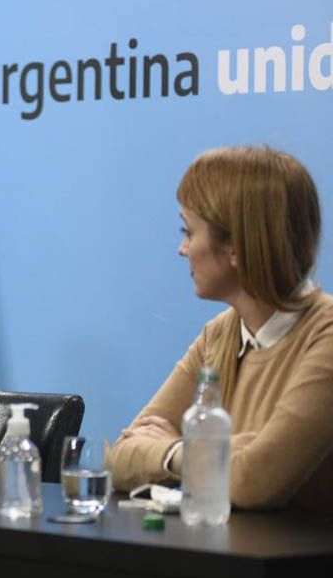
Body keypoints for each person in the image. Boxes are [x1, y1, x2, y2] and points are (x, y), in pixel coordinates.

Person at [110, 146, 333, 510]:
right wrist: (203, 452)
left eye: (189, 230)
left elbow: (254, 480)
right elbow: (121, 455)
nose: (182, 249)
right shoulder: (219, 334)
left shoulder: (325, 336)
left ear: (235, 248)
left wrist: (177, 449)